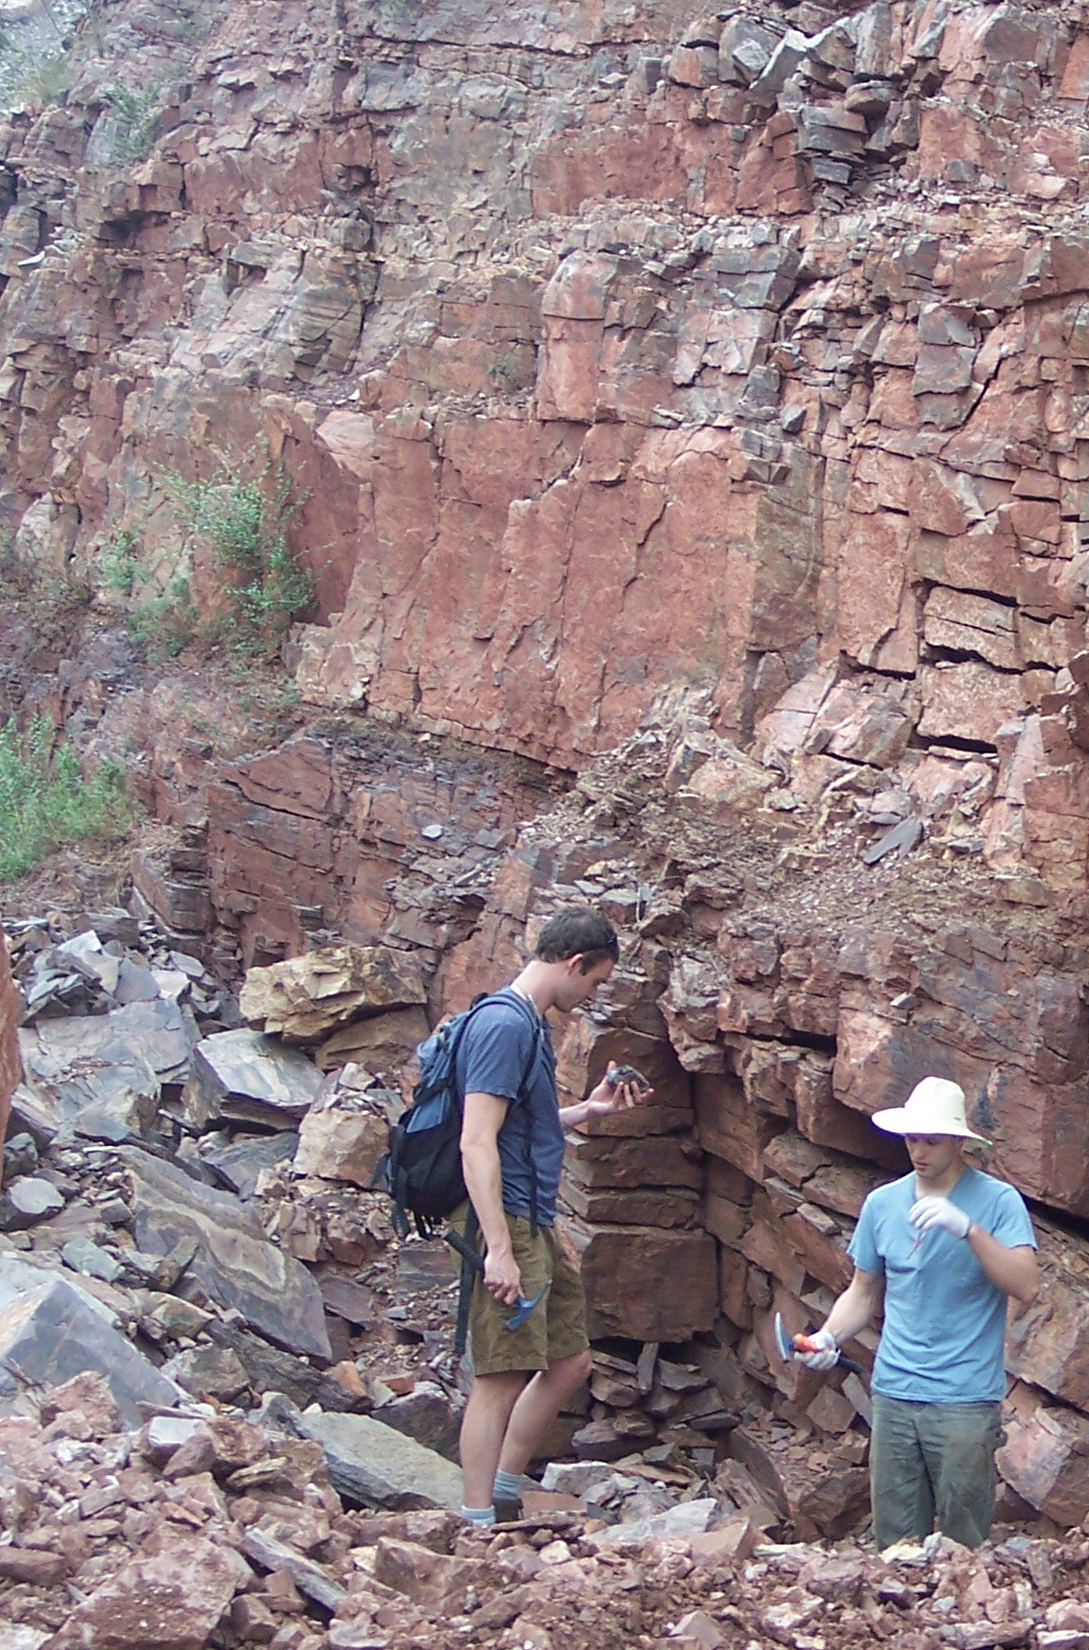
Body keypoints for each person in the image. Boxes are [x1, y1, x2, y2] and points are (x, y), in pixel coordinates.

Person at [454, 905, 651, 1527]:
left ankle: (505, 1489)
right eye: (595, 982)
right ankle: (475, 1523)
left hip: (533, 1217)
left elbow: (522, 1125)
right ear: (575, 963)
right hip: (507, 1219)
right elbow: (475, 1141)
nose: (593, 996)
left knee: (569, 1362)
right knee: (500, 1376)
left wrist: (586, 1112)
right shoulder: (504, 1027)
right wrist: (498, 1249)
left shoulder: (530, 1025)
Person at [797, 1075, 1038, 1550]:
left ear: (959, 1142)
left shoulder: (998, 1201)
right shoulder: (883, 1204)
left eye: (932, 1140)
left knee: (963, 1544)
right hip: (895, 1393)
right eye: (912, 1139)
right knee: (896, 1543)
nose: (919, 1151)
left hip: (965, 1397)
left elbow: (1026, 1285)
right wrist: (828, 1337)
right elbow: (863, 1290)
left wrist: (969, 1229)